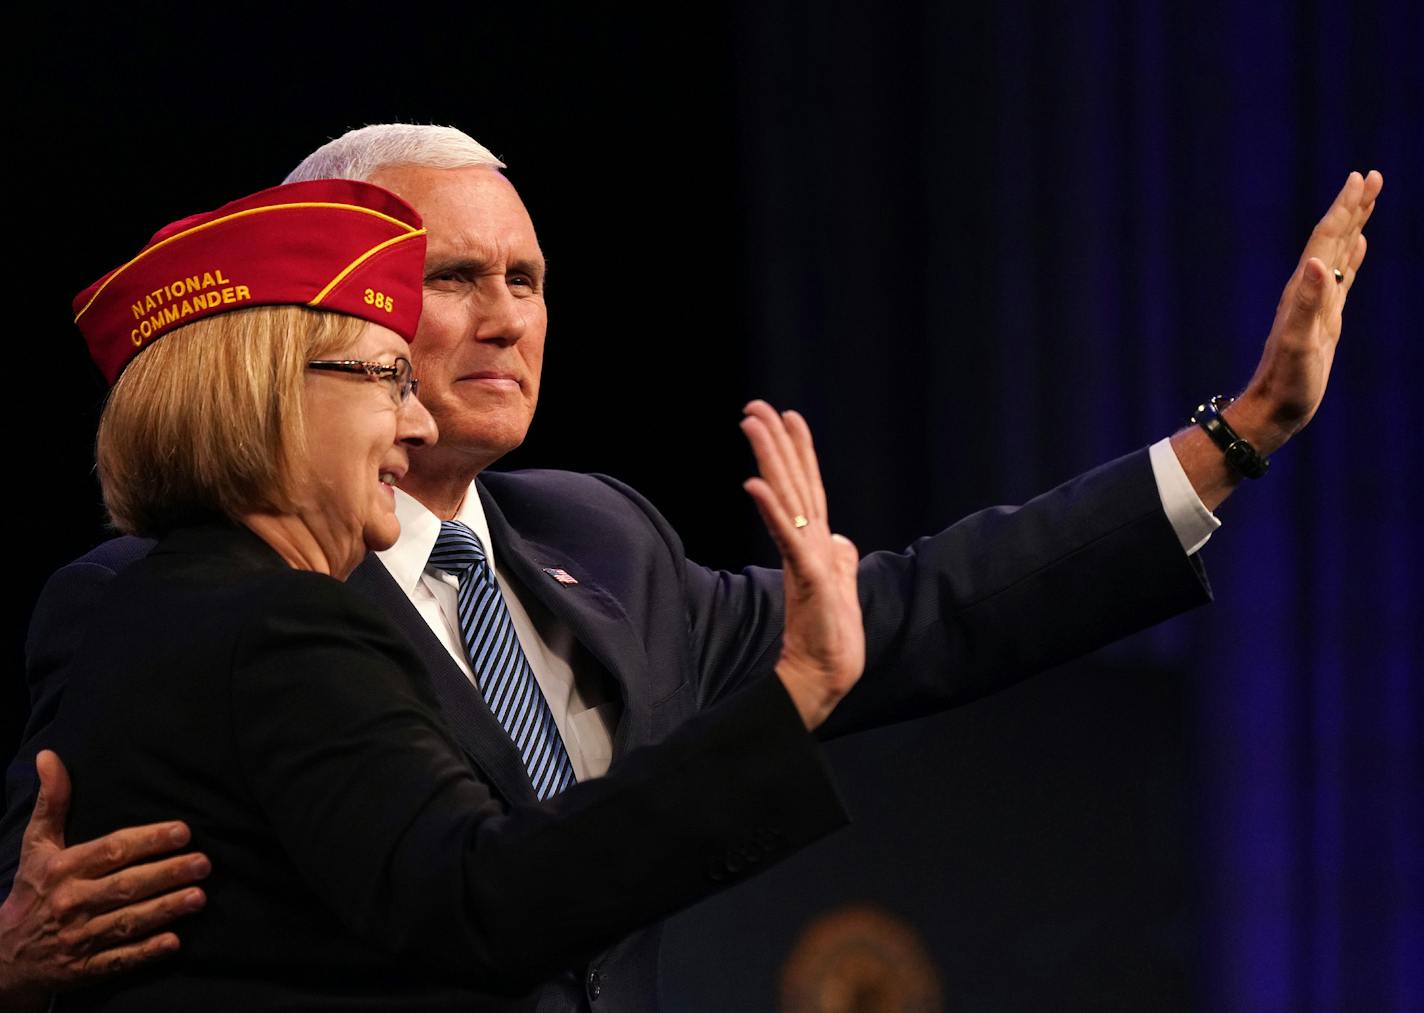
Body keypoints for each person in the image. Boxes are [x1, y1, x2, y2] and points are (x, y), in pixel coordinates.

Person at [0, 125, 1383, 1011]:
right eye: (451, 280)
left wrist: (1235, 438)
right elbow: (72, 891)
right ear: (318, 313)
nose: (500, 321)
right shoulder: (175, 598)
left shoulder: (600, 540)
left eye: (527, 281)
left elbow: (914, 612)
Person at [0, 178, 867, 1010]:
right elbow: (484, 899)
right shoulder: (283, 626)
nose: (415, 424)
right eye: (389, 378)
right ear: (272, 398)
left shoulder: (147, 614)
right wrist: (798, 692)